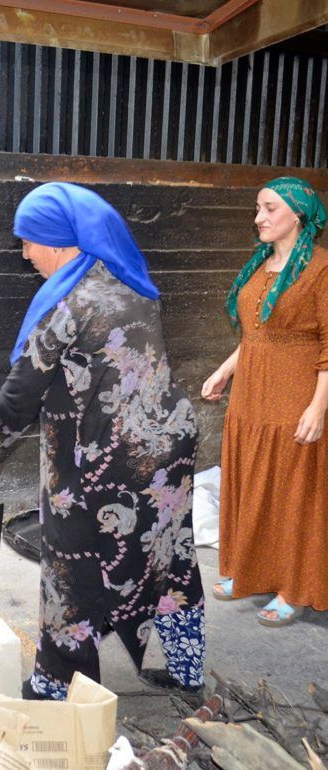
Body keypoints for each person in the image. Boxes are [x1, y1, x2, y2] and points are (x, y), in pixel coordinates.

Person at [0, 182, 205, 700]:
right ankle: (186, 669)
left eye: (30, 242)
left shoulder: (73, 301)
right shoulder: (130, 283)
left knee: (71, 567)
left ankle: (55, 681)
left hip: (102, 461)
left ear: (60, 242)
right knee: (168, 556)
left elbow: (27, 383)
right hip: (164, 455)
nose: (26, 255)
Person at [202, 177, 328, 627]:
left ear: (297, 214)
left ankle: (293, 586)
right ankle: (251, 570)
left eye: (269, 208)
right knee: (252, 483)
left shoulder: (321, 269)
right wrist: (224, 369)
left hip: (293, 396)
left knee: (292, 493)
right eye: (258, 208)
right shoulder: (261, 265)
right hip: (251, 397)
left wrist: (318, 407)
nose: (259, 218)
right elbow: (256, 335)